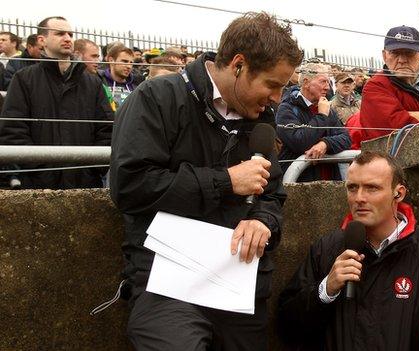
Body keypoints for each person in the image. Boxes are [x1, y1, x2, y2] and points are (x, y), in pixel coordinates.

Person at [109, 12, 303, 350]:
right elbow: (130, 185)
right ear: (239, 65)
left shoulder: (262, 119)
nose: (276, 97)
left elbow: (272, 196)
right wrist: (224, 182)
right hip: (167, 286)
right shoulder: (157, 98)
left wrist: (262, 222)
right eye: (272, 84)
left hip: (238, 290)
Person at [278, 151, 419, 350]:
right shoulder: (327, 248)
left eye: (372, 188)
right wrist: (325, 291)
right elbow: (287, 326)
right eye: (352, 188)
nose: (359, 198)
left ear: (399, 193)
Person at [0, 16, 113, 189]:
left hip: (86, 183)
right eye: (60, 33)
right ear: (42, 40)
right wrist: (38, 170)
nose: (68, 38)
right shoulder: (23, 79)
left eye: (70, 34)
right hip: (38, 185)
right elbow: (13, 129)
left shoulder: (93, 83)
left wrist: (93, 168)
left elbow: (106, 128)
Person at [276, 62, 351, 182]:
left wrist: (325, 144)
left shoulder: (326, 107)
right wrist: (321, 116)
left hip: (330, 182)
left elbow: (346, 138)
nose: (327, 87)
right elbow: (300, 142)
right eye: (323, 81)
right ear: (306, 82)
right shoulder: (287, 108)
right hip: (300, 184)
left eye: (328, 82)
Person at [99, 45, 137, 110]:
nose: (129, 66)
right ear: (111, 60)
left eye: (131, 63)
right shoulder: (99, 82)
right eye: (124, 61)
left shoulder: (136, 87)